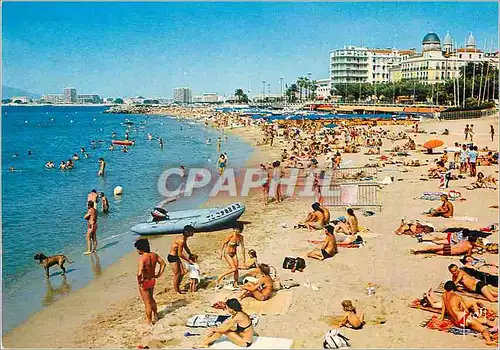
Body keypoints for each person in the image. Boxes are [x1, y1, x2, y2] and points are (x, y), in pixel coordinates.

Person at [440, 281, 496, 345]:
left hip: (457, 323)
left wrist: (441, 318)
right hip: (465, 319)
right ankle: (488, 341)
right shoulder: (458, 297)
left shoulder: (443, 296)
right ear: (454, 288)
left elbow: (443, 308)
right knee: (483, 329)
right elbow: (466, 310)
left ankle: (496, 328)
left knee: (484, 320)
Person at [134, 238, 166, 325]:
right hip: (152, 279)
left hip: (145, 281)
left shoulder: (142, 259)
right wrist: (158, 274)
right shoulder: (154, 255)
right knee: (151, 298)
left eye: (137, 249)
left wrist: (139, 281)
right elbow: (163, 264)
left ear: (141, 249)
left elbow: (139, 273)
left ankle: (149, 321)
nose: (137, 251)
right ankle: (156, 314)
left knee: (147, 303)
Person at [216, 223, 245, 289]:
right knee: (233, 268)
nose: (236, 231)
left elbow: (243, 248)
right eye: (235, 229)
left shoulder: (241, 237)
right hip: (227, 253)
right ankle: (220, 277)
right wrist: (220, 254)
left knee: (236, 269)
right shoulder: (231, 236)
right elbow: (223, 244)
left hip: (234, 253)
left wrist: (244, 259)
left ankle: (235, 283)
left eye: (238, 229)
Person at [167, 225, 195, 294]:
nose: (193, 233)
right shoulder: (181, 240)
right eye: (192, 232)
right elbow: (180, 254)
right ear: (187, 232)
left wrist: (190, 254)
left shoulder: (184, 238)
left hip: (176, 257)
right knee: (176, 274)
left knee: (182, 273)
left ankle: (177, 286)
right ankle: (177, 290)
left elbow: (186, 247)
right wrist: (188, 260)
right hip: (172, 257)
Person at [410, 235, 475, 256]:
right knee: (434, 252)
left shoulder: (464, 241)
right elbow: (468, 255)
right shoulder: (470, 247)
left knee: (433, 248)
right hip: (450, 252)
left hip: (449, 246)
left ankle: (418, 250)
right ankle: (420, 252)